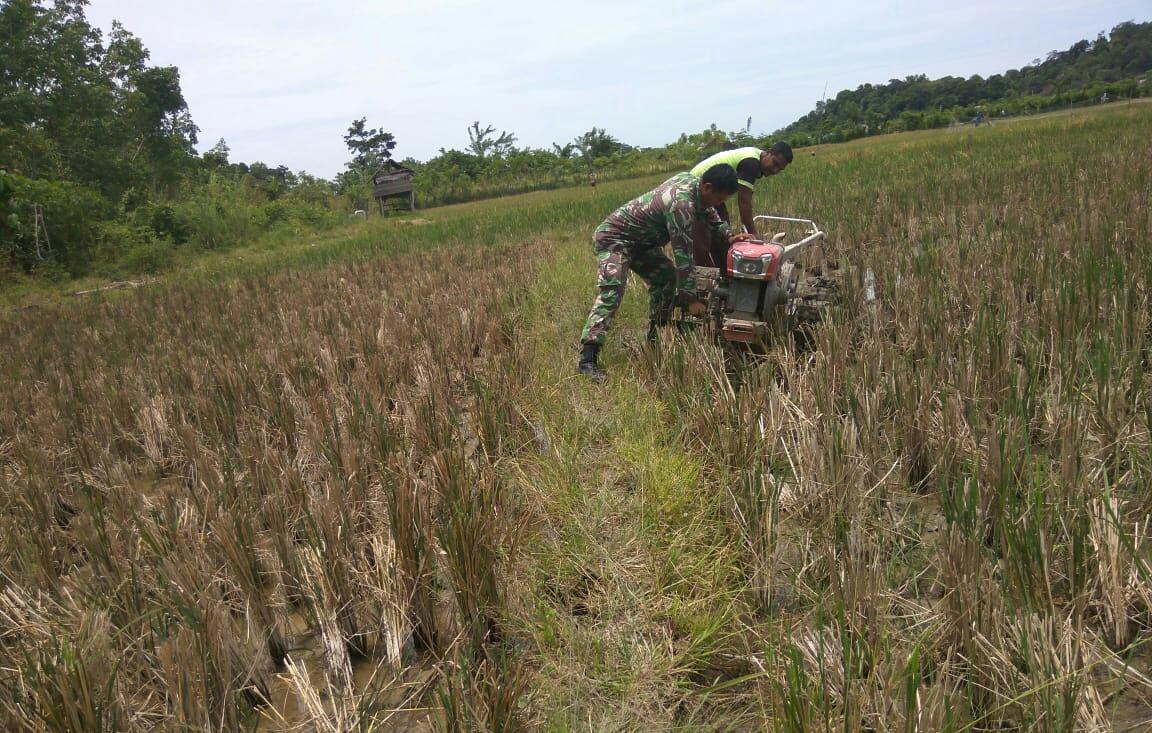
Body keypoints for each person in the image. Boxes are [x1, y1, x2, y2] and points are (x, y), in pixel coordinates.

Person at [577, 164, 752, 380]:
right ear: (707, 186)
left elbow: (708, 210)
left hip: (642, 244)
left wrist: (728, 234)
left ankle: (655, 335)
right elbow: (683, 257)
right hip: (615, 239)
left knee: (666, 278)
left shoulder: (693, 183)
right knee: (612, 292)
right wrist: (691, 299)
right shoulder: (681, 205)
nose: (718, 204)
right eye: (719, 199)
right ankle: (587, 358)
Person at [688, 142, 792, 266]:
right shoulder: (751, 163)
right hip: (701, 190)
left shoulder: (754, 156)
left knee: (722, 233)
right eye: (775, 163)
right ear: (768, 152)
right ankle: (715, 274)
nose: (775, 170)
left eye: (780, 169)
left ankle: (724, 272)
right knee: (705, 238)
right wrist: (754, 234)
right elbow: (744, 200)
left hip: (712, 189)